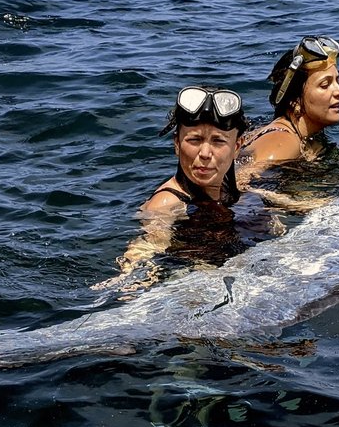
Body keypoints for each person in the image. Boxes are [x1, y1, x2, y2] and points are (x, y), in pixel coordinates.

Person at [95, 87, 248, 289]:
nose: (204, 153)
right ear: (176, 144)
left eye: (218, 141)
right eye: (194, 140)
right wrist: (129, 278)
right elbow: (147, 245)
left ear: (237, 147)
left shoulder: (229, 190)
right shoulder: (168, 202)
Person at [238, 36, 339, 172]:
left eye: (338, 81)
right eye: (325, 85)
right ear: (294, 100)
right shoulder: (283, 143)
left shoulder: (298, 136)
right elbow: (238, 183)